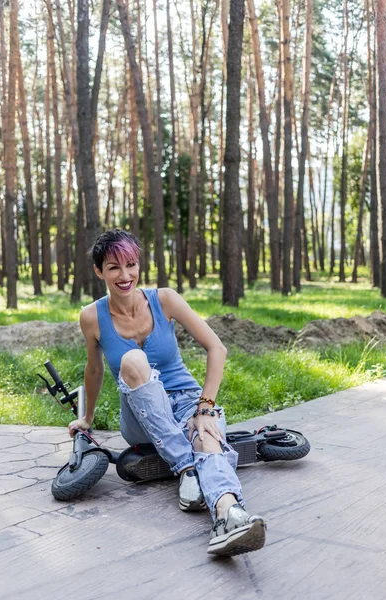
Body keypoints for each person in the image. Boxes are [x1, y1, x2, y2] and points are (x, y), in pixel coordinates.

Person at [68, 228, 266, 556]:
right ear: (99, 271)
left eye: (131, 264)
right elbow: (95, 369)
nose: (125, 274)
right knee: (133, 359)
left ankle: (229, 515)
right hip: (141, 417)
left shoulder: (165, 299)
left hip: (187, 401)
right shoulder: (92, 317)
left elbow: (217, 348)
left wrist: (204, 409)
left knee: (206, 435)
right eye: (114, 267)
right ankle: (188, 467)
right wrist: (86, 418)